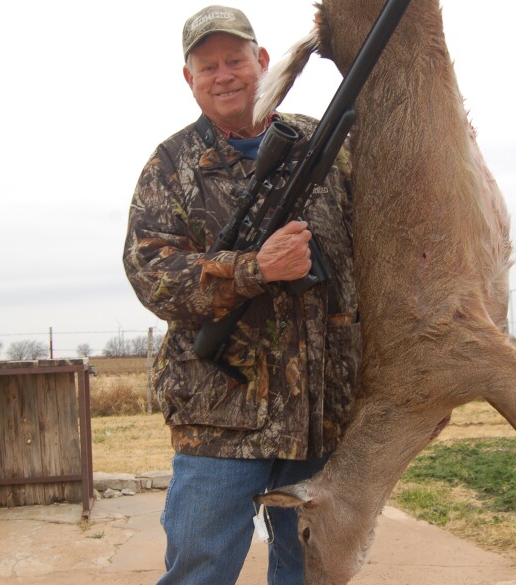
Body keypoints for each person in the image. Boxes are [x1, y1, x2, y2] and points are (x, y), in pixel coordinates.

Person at [122, 5, 360, 585]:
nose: (224, 75)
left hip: (320, 416)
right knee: (199, 569)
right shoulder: (170, 165)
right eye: (208, 67)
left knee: (310, 570)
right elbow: (149, 269)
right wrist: (253, 268)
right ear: (190, 79)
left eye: (235, 60)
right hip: (220, 416)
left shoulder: (325, 143)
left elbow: (379, 243)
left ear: (261, 61)